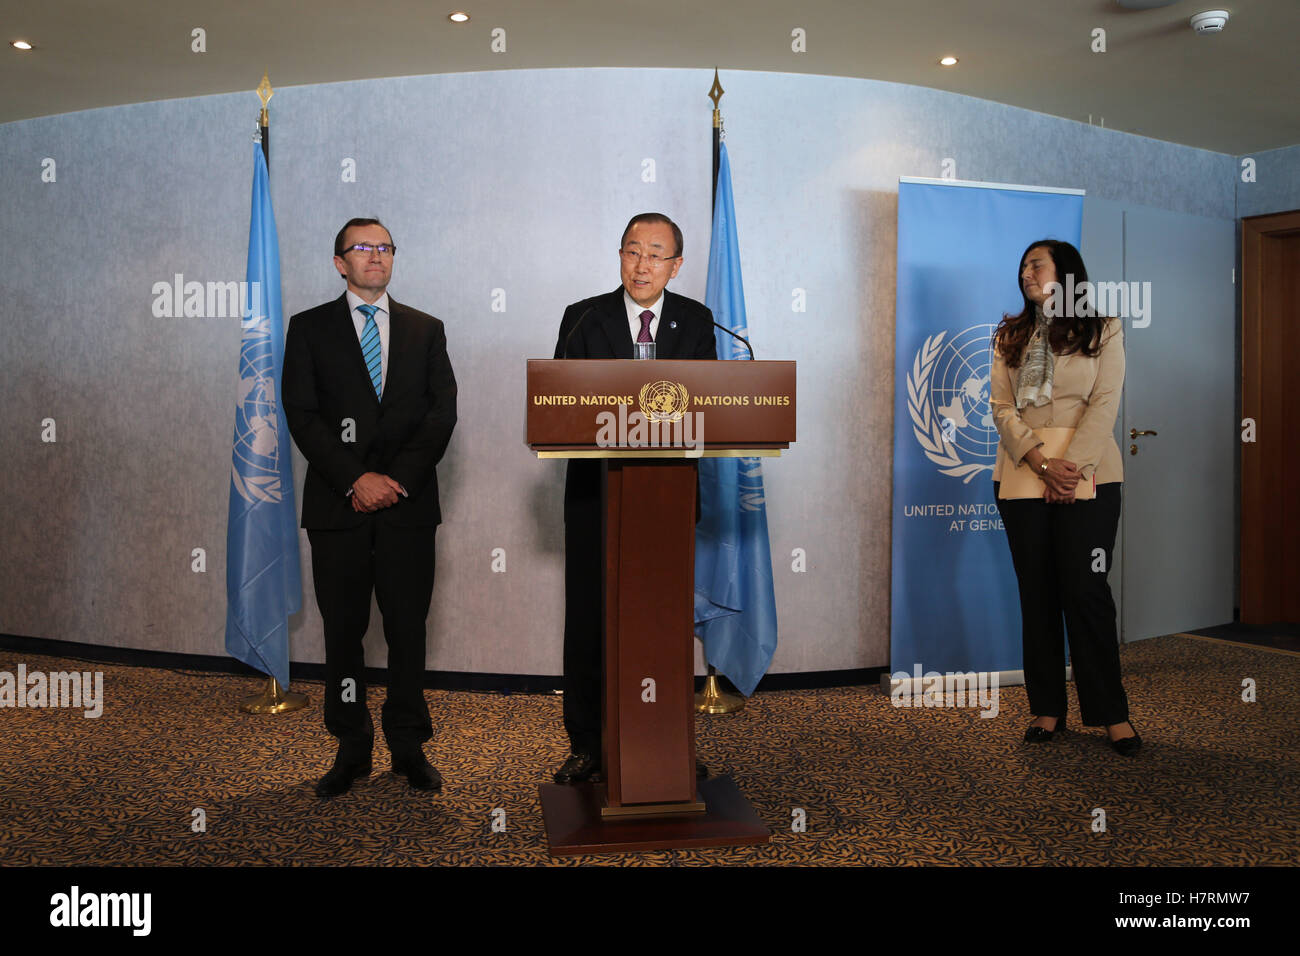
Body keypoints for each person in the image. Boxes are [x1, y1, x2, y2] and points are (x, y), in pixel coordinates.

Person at [283, 218, 458, 796]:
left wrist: (394, 481)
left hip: (407, 509)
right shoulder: (307, 329)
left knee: (408, 631)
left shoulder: (426, 330)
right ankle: (351, 747)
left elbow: (441, 415)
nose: (375, 257)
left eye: (385, 248)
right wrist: (356, 478)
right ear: (340, 262)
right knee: (344, 633)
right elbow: (302, 415)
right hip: (340, 511)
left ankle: (408, 747)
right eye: (363, 249)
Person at [550, 212, 717, 784]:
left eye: (655, 254)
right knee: (592, 619)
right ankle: (588, 743)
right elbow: (561, 404)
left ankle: (666, 737)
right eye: (631, 251)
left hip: (667, 500)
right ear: (619, 255)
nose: (641, 264)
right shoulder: (583, 319)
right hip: (598, 496)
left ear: (676, 265)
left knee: (664, 623)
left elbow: (708, 407)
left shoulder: (696, 320)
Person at [990, 239, 1140, 756]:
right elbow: (1001, 407)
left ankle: (1111, 714)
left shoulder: (1105, 328)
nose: (1025, 272)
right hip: (1022, 475)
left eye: (1036, 264)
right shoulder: (1009, 335)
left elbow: (1104, 402)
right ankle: (1047, 709)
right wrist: (1040, 462)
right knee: (1039, 596)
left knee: (1086, 592)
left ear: (1065, 273)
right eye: (1023, 265)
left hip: (1091, 475)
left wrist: (1070, 469)